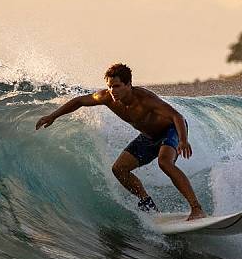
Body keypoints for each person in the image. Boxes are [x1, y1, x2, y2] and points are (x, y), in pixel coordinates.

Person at [35, 63, 207, 221]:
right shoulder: (106, 98)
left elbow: (176, 116)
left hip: (171, 130)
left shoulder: (145, 98)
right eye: (109, 86)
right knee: (119, 169)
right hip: (148, 137)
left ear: (128, 84)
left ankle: (197, 209)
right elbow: (79, 101)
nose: (112, 91)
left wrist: (183, 140)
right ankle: (147, 203)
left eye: (116, 86)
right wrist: (53, 116)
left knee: (164, 162)